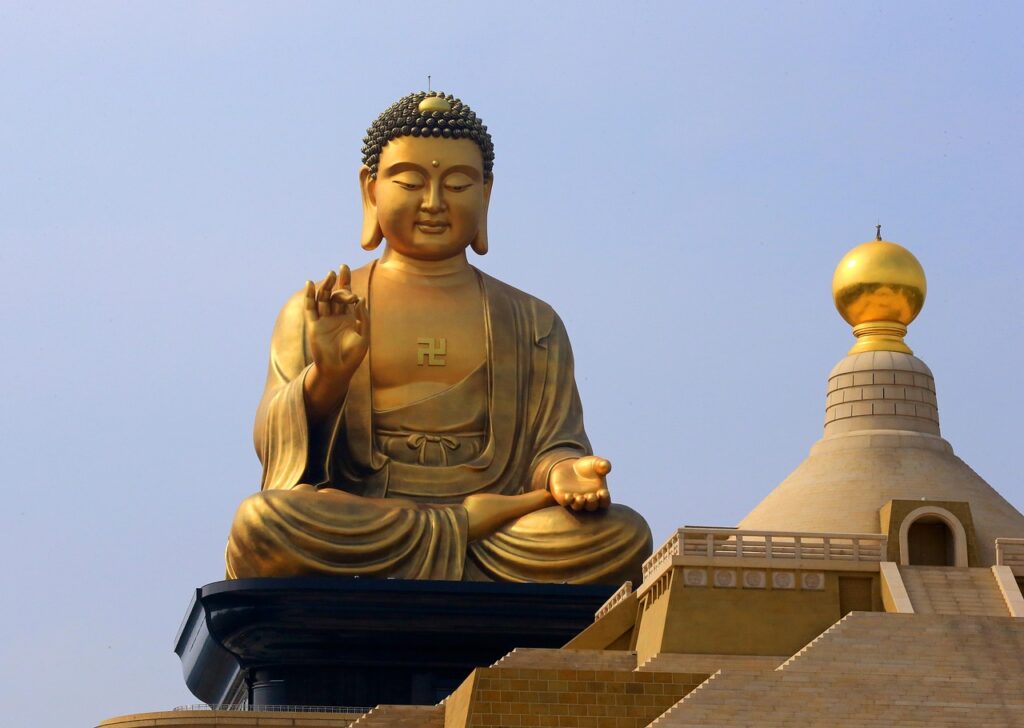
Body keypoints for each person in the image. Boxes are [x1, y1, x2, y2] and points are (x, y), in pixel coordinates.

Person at [226, 91, 652, 583]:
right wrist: (329, 375)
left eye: (457, 184)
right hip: (367, 511)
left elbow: (553, 444)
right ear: (370, 190)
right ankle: (464, 528)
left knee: (624, 535)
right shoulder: (320, 308)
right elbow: (275, 449)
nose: (433, 203)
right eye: (410, 182)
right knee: (263, 524)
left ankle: (461, 535)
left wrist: (563, 472)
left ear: (486, 193)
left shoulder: (533, 321)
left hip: (498, 529)